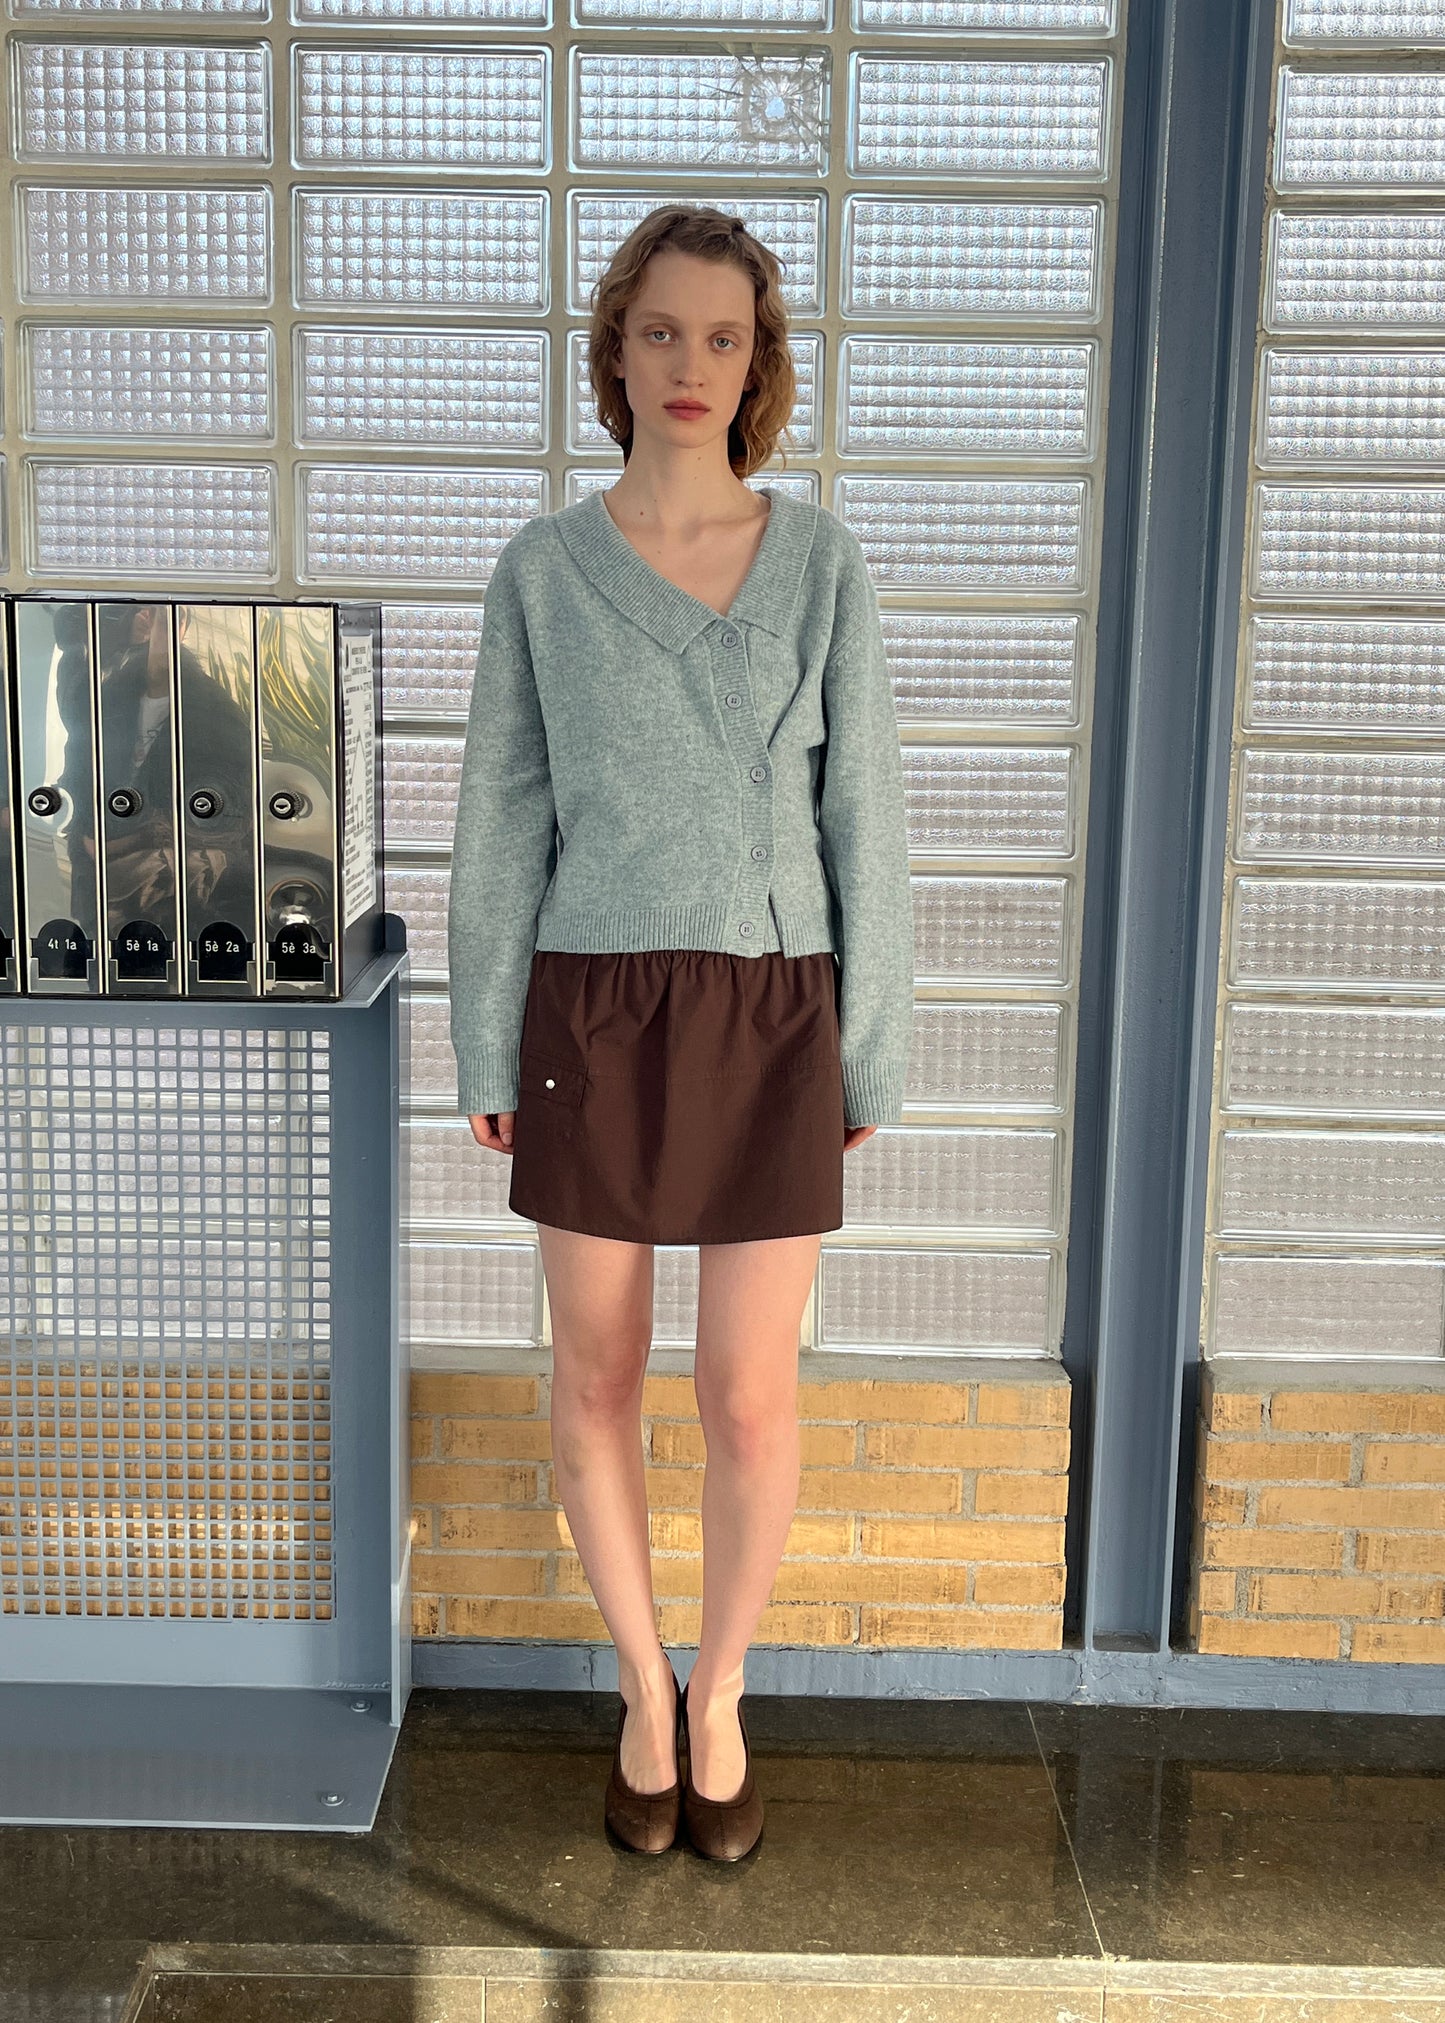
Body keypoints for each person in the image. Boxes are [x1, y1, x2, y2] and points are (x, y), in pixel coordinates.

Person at [446, 203, 913, 1861]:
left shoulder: (823, 561)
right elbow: (500, 823)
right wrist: (482, 1051)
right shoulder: (542, 572)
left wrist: (876, 1049)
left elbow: (865, 820)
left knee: (745, 1395)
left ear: (758, 361)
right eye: (661, 333)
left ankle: (721, 1693)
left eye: (723, 337)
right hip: (592, 1004)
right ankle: (640, 1691)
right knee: (591, 1374)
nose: (690, 366)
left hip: (775, 1007)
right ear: (614, 349)